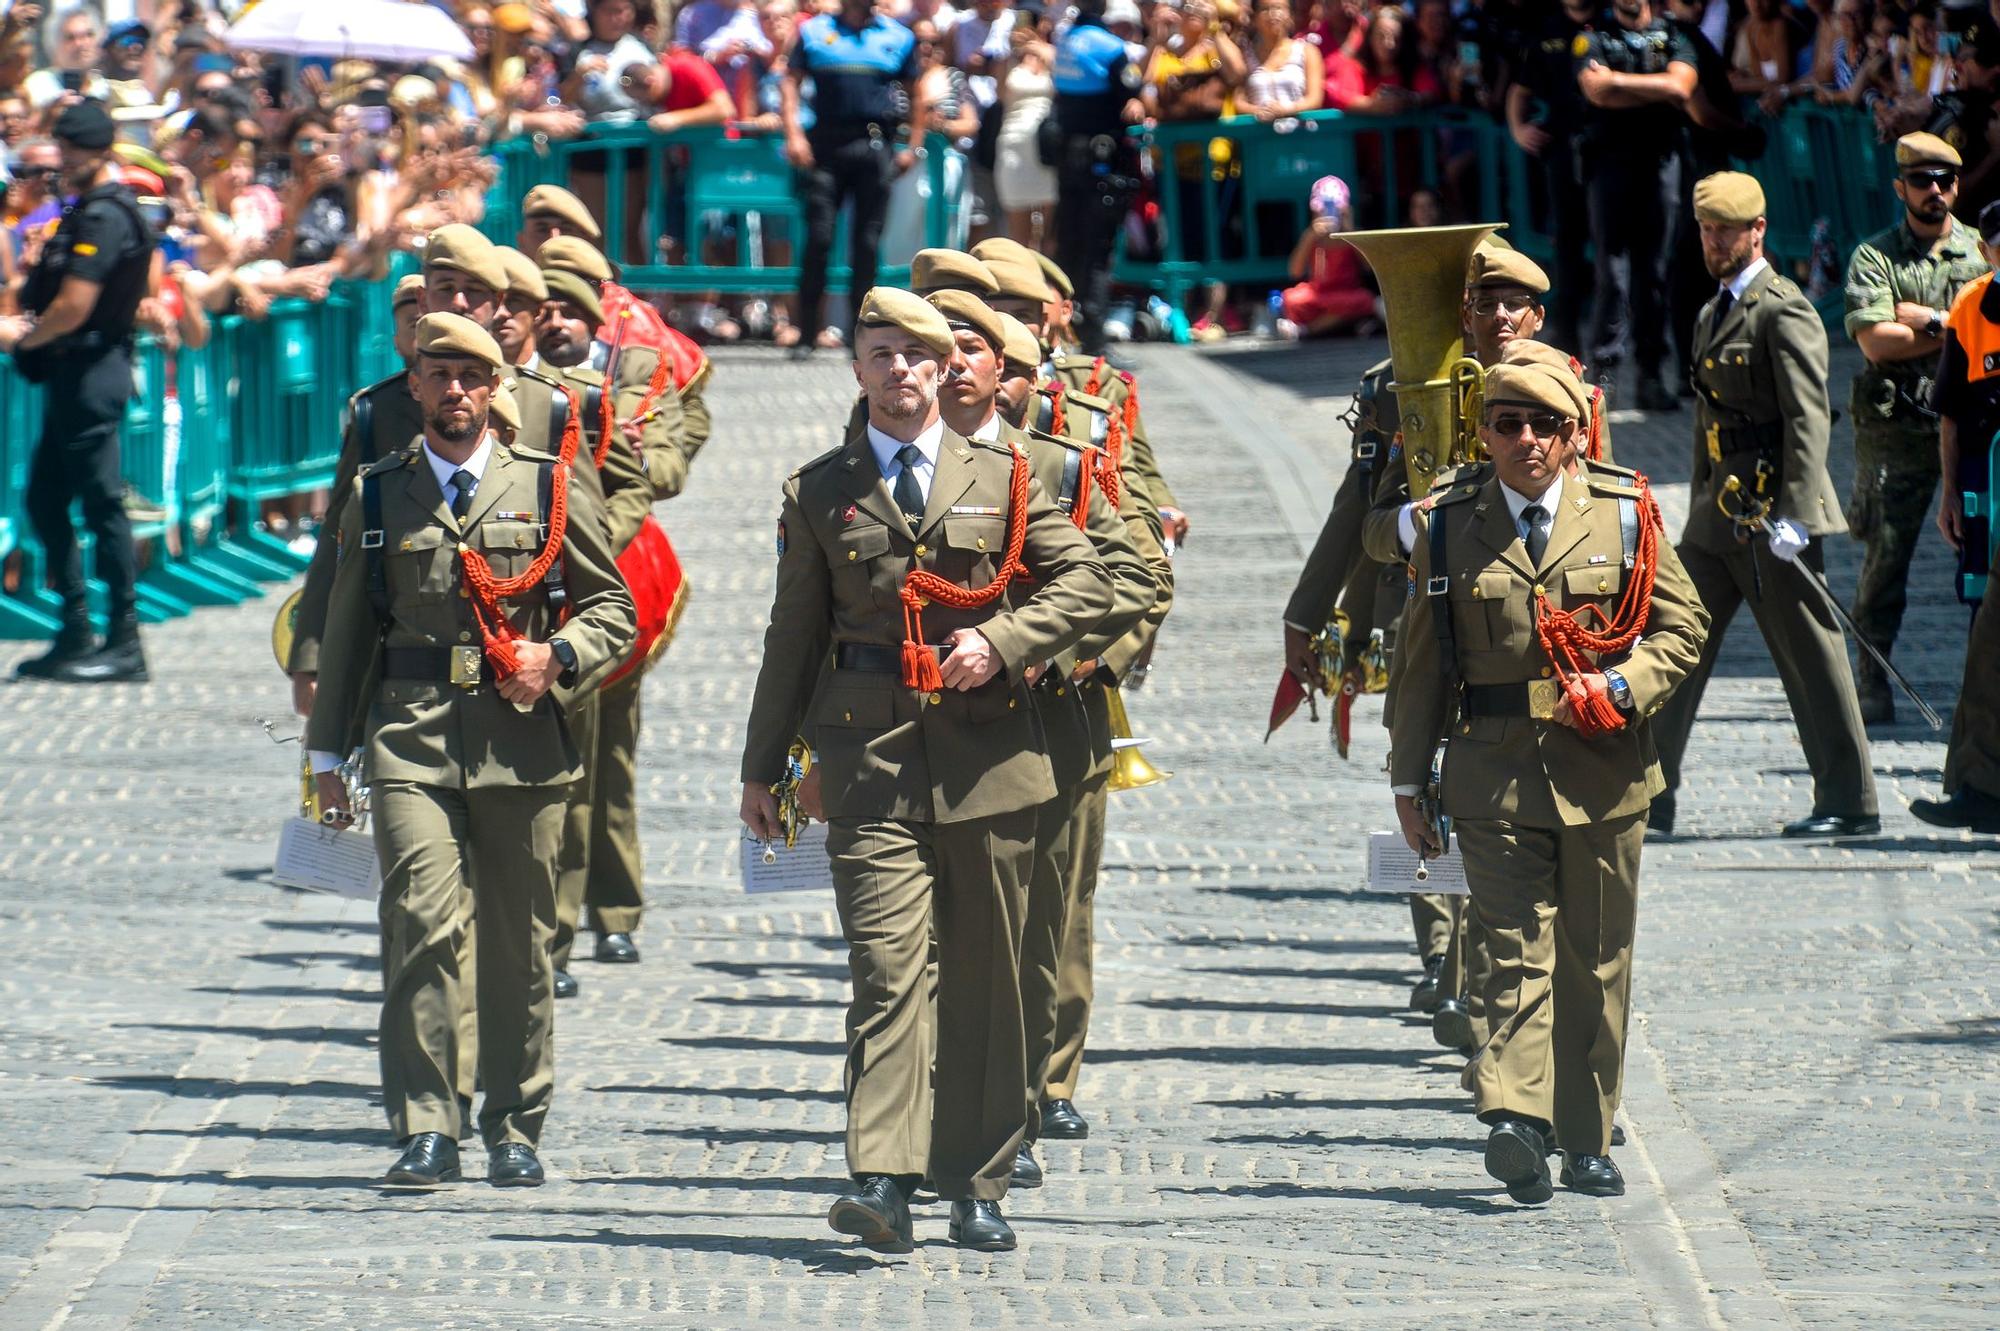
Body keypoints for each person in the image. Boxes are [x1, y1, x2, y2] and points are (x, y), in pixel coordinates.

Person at [738, 287, 1112, 1252]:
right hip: (869, 760)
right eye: (879, 353)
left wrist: (1005, 637)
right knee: (887, 970)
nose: (899, 368)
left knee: (989, 979)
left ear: (945, 367)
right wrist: (763, 767)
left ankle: (977, 1180)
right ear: (856, 369)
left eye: (916, 352)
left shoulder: (1008, 471)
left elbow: (1088, 580)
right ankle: (883, 1175)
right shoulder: (820, 490)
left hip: (993, 759)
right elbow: (793, 637)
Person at [306, 312, 636, 1188]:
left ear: (497, 391)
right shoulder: (380, 491)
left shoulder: (550, 485)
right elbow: (347, 635)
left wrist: (556, 656)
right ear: (412, 384)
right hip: (409, 735)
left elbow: (615, 611)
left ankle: (514, 1123)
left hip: (522, 740)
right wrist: (325, 760)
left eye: (471, 376)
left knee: (520, 940)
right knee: (418, 920)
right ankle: (427, 1123)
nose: (454, 390)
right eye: (437, 373)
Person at [1389, 359, 1708, 1202]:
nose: (1522, 440)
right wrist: (1406, 783)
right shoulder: (1452, 524)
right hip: (1490, 773)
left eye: (1541, 426)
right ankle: (1517, 1119)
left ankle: (1586, 1134)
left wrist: (1622, 687)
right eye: (1504, 423)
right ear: (1485, 431)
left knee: (1596, 960)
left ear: (1572, 436)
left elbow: (1684, 626)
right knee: (1509, 946)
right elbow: (1420, 666)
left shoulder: (1627, 513)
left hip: (1605, 772)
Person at [925, 283, 1155, 1188]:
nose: (956, 368)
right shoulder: (875, 461)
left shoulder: (1059, 466)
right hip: (921, 729)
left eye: (984, 354)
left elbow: (1137, 577)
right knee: (931, 935)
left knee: (1035, 925)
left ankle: (1018, 1098)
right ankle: (940, 1110)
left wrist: (1055, 657)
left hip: (1047, 725)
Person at [1650, 172, 1881, 839]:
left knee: (1809, 650)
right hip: (1718, 512)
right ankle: (1649, 794)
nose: (1714, 241)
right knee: (1672, 639)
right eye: (1705, 229)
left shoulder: (1784, 310)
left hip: (1771, 508)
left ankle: (1849, 798)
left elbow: (1809, 417)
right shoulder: (1711, 311)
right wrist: (1695, 498)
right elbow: (1707, 422)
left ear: (1758, 231)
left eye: (1727, 229)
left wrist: (1799, 512)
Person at [2, 99, 156, 684]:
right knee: (45, 499)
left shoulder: (106, 215)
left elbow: (74, 306)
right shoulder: (85, 209)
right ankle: (74, 629)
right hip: (75, 373)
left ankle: (124, 639)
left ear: (97, 151)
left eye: (71, 151)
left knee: (101, 505)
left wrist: (28, 341)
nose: (62, 161)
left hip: (93, 368)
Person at [1842, 132, 1988, 725]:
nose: (1935, 192)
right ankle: (1872, 677)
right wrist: (1963, 323)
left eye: (1945, 181)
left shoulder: (1981, 252)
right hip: (1895, 428)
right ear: (1900, 186)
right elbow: (1877, 340)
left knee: (1985, 553)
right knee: (1886, 558)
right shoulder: (1876, 256)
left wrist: (1929, 320)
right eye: (1922, 180)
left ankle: (1984, 690)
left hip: (1974, 426)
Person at [1916, 196, 2000, 832]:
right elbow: (1949, 410)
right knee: (1986, 642)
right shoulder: (1973, 307)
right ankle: (1979, 787)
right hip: (1986, 489)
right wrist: (1950, 495)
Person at [777, 0, 928, 352]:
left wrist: (913, 146)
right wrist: (793, 133)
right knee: (819, 238)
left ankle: (862, 335)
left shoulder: (898, 36)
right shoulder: (814, 32)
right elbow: (790, 82)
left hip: (874, 145)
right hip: (825, 146)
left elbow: (916, 93)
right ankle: (806, 332)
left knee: (867, 242)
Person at [1574, 0, 1698, 412]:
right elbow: (1595, 91)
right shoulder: (1593, 38)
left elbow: (1681, 87)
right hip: (1609, 166)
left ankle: (1651, 375)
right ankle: (1604, 378)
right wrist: (1654, 90)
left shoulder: (1674, 35)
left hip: (1661, 164)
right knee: (1614, 274)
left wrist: (1619, 83)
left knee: (1656, 272)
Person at [1049, 0, 1145, 353]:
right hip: (1101, 165)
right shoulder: (1111, 47)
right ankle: (1094, 340)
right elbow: (1130, 93)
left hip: (1068, 162)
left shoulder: (1065, 42)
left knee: (1069, 245)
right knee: (1098, 252)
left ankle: (1060, 332)